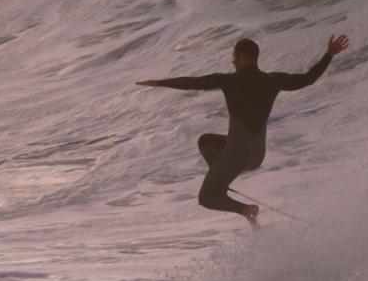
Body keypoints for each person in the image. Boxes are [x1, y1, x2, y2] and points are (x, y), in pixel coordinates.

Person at [137, 34, 349, 225]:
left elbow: (194, 83)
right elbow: (307, 79)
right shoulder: (273, 80)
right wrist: (328, 55)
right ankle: (222, 184)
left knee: (206, 198)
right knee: (206, 141)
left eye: (234, 56)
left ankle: (245, 209)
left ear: (241, 56)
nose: (232, 61)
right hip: (257, 156)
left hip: (236, 156)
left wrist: (159, 82)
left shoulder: (229, 80)